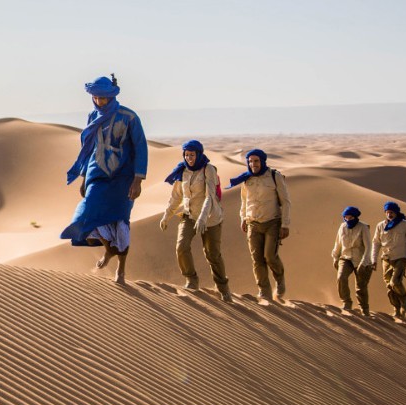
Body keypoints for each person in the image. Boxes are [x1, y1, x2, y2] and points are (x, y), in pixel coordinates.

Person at [61, 75, 148, 284]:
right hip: (97, 175)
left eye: (103, 98)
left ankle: (121, 268)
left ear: (111, 96)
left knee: (120, 221)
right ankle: (109, 250)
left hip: (123, 177)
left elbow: (141, 147)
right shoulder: (92, 116)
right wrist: (84, 177)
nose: (99, 101)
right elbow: (88, 148)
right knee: (88, 213)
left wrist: (138, 179)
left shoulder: (129, 117)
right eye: (96, 97)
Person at [160, 140, 232, 302]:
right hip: (189, 216)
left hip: (211, 218)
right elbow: (176, 196)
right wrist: (167, 215)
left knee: (212, 255)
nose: (189, 158)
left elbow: (210, 197)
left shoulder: (209, 170)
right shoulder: (182, 172)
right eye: (186, 155)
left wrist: (203, 218)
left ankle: (223, 288)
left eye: (192, 155)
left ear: (198, 154)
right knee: (181, 246)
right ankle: (191, 280)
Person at [227, 149, 291, 301]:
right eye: (250, 161)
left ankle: (280, 279)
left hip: (272, 222)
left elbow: (286, 202)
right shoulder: (246, 179)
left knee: (269, 256)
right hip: (252, 223)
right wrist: (243, 218)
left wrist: (285, 224)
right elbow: (244, 201)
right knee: (257, 259)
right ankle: (264, 292)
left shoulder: (275, 177)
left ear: (262, 161)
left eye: (256, 161)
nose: (253, 164)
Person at [371, 201, 406, 317]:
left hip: (400, 257)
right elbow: (376, 243)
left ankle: (404, 303)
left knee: (395, 282)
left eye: (391, 212)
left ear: (396, 212)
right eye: (387, 212)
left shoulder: (405, 225)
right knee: (389, 286)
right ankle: (396, 308)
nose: (389, 215)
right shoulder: (380, 225)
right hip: (386, 259)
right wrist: (374, 259)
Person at [331, 206, 373, 315]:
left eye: (350, 217)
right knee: (341, 278)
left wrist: (364, 263)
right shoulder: (342, 227)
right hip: (345, 258)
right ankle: (346, 302)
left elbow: (368, 247)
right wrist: (335, 257)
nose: (348, 219)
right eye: (346, 217)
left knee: (360, 287)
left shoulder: (363, 227)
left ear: (355, 217)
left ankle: (364, 309)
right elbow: (338, 243)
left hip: (361, 260)